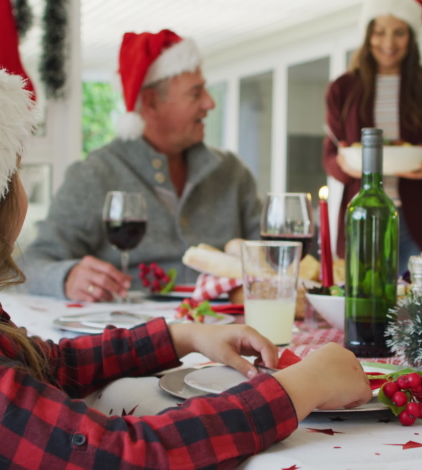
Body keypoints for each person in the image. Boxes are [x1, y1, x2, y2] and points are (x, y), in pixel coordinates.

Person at [0, 41, 371, 470]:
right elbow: (123, 462)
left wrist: (180, 335)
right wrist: (297, 387)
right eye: (14, 172)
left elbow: (48, 365)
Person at [20, 30, 262, 302]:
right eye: (195, 94)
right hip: (137, 332)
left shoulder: (232, 173)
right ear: (150, 103)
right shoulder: (94, 174)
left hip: (228, 327)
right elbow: (34, 263)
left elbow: (272, 259)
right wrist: (67, 277)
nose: (210, 102)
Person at [322, 0, 422, 269]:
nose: (389, 42)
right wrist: (344, 165)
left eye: (399, 32)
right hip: (364, 216)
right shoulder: (344, 87)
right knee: (364, 303)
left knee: (421, 307)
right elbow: (331, 152)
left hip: (420, 218)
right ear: (368, 34)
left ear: (411, 36)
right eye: (380, 31)